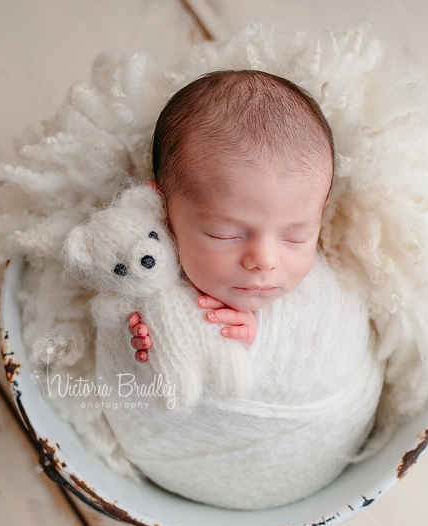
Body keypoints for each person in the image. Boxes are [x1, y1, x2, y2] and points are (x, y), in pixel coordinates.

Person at [127, 69, 334, 362]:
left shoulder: (319, 297)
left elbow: (324, 350)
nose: (265, 260)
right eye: (226, 235)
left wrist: (258, 341)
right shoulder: (140, 269)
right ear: (160, 209)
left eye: (295, 237)